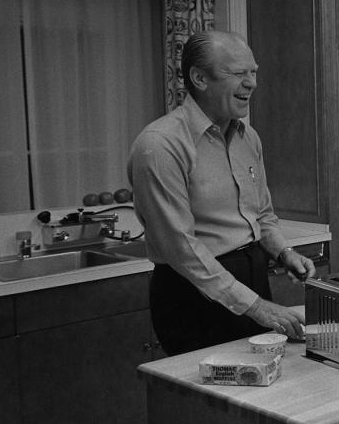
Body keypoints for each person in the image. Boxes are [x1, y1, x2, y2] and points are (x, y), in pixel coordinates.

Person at [128, 30, 315, 355]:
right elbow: (181, 249)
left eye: (253, 72)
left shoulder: (248, 137)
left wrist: (284, 253)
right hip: (192, 293)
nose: (252, 83)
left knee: (264, 390)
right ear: (199, 78)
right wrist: (256, 306)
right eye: (239, 73)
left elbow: (262, 215)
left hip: (251, 278)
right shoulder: (160, 146)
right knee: (208, 399)